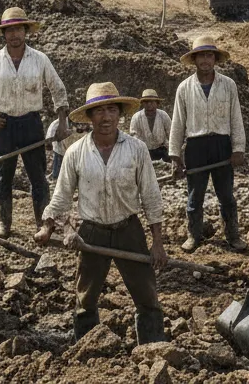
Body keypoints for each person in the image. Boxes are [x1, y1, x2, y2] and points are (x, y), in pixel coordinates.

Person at [36, 82, 168, 344]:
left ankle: (153, 348)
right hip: (91, 233)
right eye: (98, 111)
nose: (106, 117)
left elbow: (151, 197)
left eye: (111, 110)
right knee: (85, 297)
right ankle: (86, 348)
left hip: (128, 230)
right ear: (89, 116)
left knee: (146, 295)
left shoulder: (136, 149)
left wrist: (158, 243)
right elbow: (61, 196)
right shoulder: (76, 153)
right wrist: (47, 226)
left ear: (120, 114)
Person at [0, 7, 69, 238]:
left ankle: (42, 224)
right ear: (3, 34)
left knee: (38, 178)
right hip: (4, 126)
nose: (14, 35)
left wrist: (62, 123)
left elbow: (58, 89)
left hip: (31, 124)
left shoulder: (40, 59)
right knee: (3, 176)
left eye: (18, 29)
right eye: (9, 30)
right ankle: (4, 223)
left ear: (26, 31)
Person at [169, 36, 247, 252]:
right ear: (194, 60)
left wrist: (238, 148)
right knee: (195, 196)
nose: (205, 60)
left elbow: (236, 118)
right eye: (201, 55)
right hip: (195, 146)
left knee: (226, 196)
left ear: (215, 59)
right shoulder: (184, 88)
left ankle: (233, 235)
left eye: (209, 55)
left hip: (222, 145)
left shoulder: (228, 85)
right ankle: (194, 235)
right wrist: (175, 156)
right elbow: (178, 123)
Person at [130, 88, 172, 162]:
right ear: (142, 103)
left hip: (161, 149)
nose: (149, 104)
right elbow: (134, 138)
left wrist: (171, 149)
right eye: (146, 102)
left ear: (157, 103)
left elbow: (171, 133)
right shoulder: (136, 117)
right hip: (144, 152)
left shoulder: (163, 115)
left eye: (152, 102)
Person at [46, 117, 67, 182]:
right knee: (58, 163)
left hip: (67, 148)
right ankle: (55, 177)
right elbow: (50, 135)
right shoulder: (56, 123)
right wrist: (49, 143)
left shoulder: (70, 122)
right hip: (58, 148)